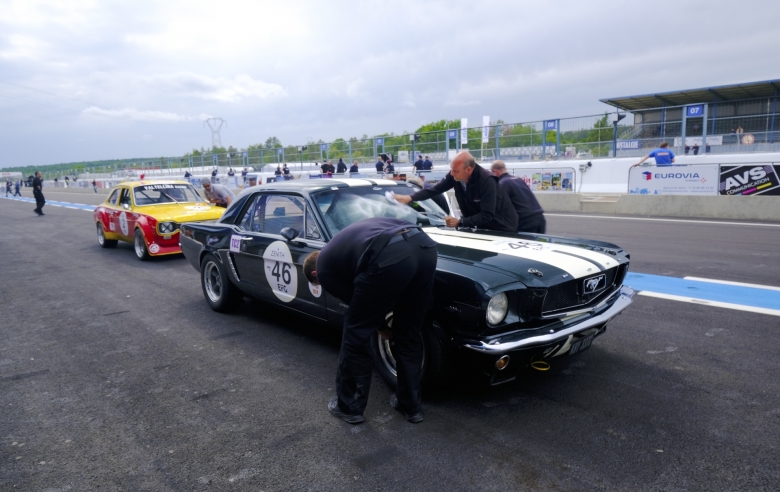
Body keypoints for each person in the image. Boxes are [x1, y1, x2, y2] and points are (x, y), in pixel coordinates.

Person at [303, 218, 438, 424]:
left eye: (317, 283)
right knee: (408, 332)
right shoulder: (340, 247)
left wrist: (382, 328)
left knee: (355, 334)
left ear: (314, 274)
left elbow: (362, 312)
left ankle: (349, 407)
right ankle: (410, 405)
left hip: (390, 253)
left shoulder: (324, 271)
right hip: (424, 245)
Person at [394, 151, 517, 232]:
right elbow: (434, 190)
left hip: (502, 228)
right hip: (481, 227)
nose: (452, 174)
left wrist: (460, 222)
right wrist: (410, 198)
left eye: (455, 171)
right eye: (451, 170)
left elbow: (487, 215)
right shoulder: (455, 175)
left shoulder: (487, 181)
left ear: (468, 169)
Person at [490, 161, 546, 233]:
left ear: (495, 172)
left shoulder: (502, 184)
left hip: (525, 222)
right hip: (540, 218)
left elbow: (497, 207)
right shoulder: (518, 179)